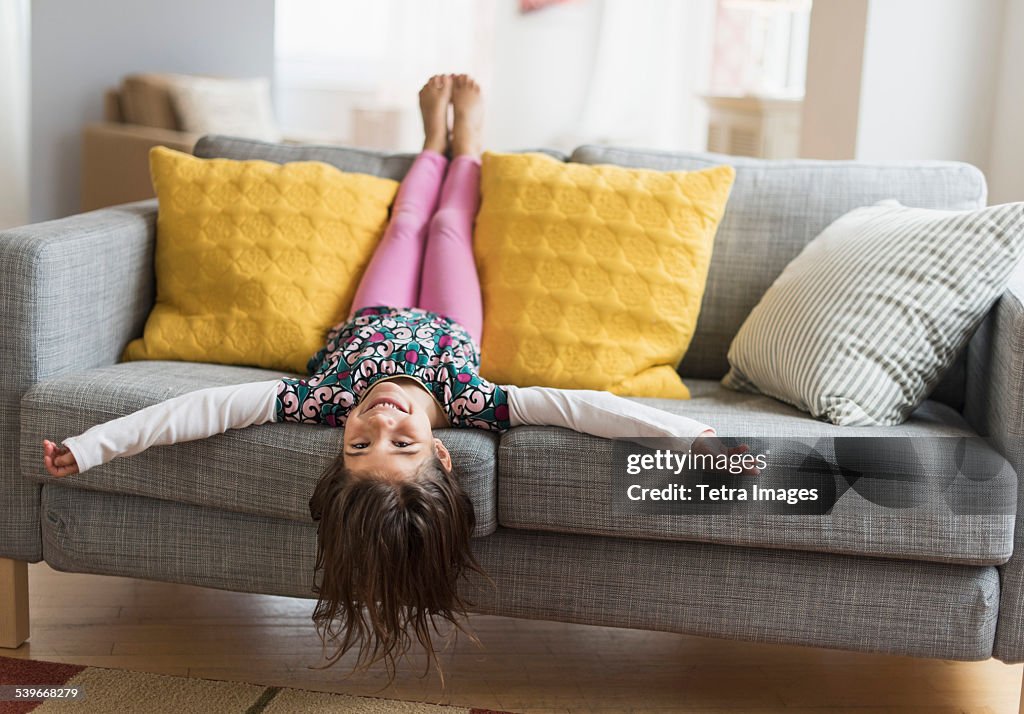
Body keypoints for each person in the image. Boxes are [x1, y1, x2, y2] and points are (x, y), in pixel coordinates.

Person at [42, 74, 754, 683]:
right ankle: (462, 144)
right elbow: (583, 409)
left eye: (359, 445)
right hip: (450, 319)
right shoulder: (475, 403)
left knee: (408, 220)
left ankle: (431, 143)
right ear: (442, 451)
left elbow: (203, 409)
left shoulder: (321, 400)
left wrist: (96, 445)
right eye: (403, 442)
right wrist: (685, 437)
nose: (380, 419)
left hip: (375, 311)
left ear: (339, 443)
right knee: (447, 226)